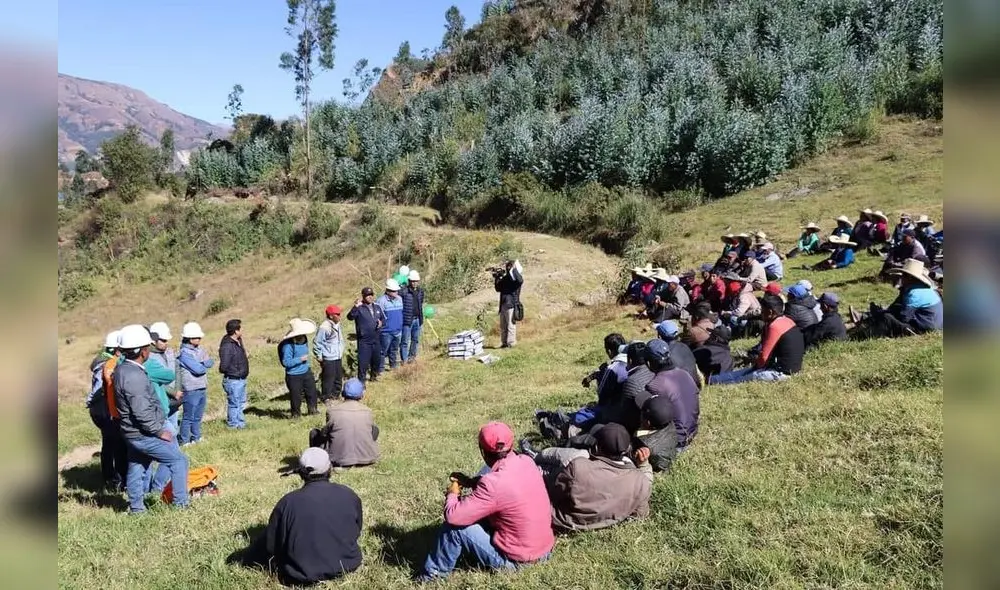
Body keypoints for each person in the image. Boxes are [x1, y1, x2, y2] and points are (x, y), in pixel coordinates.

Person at [415, 422, 554, 582]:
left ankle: (431, 577)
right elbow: (508, 489)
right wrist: (472, 482)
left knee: (454, 528)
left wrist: (453, 494)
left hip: (520, 563)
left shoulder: (492, 484)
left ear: (483, 451)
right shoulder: (526, 461)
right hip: (544, 551)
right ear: (510, 444)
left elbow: (453, 516)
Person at [239, 447, 363, 585]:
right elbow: (356, 530)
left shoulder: (287, 503)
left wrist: (245, 557)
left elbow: (271, 545)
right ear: (330, 469)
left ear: (301, 473)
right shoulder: (349, 495)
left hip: (300, 574)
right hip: (348, 565)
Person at [113, 324, 188, 513]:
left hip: (132, 432)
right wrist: (159, 431)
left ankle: (137, 509)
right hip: (143, 433)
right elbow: (141, 410)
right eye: (147, 347)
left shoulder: (123, 369)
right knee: (179, 461)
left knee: (137, 466)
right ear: (142, 351)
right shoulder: (133, 376)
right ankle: (181, 505)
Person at [549, 423, 653, 533]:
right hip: (603, 524)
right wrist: (644, 464)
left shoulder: (579, 467)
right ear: (627, 448)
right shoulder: (640, 481)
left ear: (597, 446)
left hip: (566, 522)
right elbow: (641, 514)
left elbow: (553, 492)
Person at [709, 294, 804, 385]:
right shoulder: (788, 320)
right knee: (743, 373)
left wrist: (755, 367)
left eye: (763, 311)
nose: (761, 314)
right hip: (791, 369)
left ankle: (711, 381)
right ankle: (711, 379)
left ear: (770, 312)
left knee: (739, 379)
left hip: (780, 373)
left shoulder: (774, 327)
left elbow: (763, 358)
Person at [849, 258, 943, 338]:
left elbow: (904, 318)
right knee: (888, 313)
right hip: (931, 325)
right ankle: (865, 322)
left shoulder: (914, 293)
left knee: (887, 319)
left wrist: (885, 314)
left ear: (910, 277)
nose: (901, 278)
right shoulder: (923, 289)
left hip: (922, 330)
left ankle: (856, 337)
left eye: (904, 275)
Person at [86, 330, 126, 491]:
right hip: (105, 409)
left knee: (108, 444)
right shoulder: (105, 364)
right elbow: (98, 390)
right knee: (115, 444)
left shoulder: (102, 360)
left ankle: (109, 476)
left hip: (101, 409)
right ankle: (114, 479)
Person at [309, 378, 379, 469]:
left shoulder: (332, 411)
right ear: (361, 395)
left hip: (338, 459)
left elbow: (324, 434)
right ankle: (364, 451)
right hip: (368, 458)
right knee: (374, 429)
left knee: (314, 433)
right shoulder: (367, 411)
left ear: (343, 394)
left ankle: (315, 461)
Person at [644, 339, 700, 451]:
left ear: (649, 362)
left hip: (677, 443)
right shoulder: (684, 373)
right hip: (693, 431)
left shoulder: (654, 386)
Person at [177, 321, 214, 445]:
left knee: (198, 415)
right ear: (189, 338)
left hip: (201, 387)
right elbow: (199, 369)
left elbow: (210, 362)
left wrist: (201, 364)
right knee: (188, 416)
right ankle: (185, 440)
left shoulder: (200, 350)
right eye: (196, 337)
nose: (199, 339)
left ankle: (196, 437)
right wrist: (202, 364)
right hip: (190, 389)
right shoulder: (184, 354)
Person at [279, 318, 320, 418]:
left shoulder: (304, 339)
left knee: (312, 392)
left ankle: (313, 410)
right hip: (293, 375)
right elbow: (286, 362)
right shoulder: (288, 345)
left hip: (306, 371)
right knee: (296, 397)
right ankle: (296, 415)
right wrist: (300, 359)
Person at [347, 286, 386, 383]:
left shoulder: (377, 307)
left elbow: (383, 319)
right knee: (363, 362)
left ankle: (373, 376)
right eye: (367, 295)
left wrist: (381, 323)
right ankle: (362, 381)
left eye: (371, 295)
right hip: (364, 340)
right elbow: (350, 317)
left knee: (376, 360)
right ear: (363, 296)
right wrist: (355, 307)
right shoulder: (359, 308)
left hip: (376, 338)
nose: (370, 297)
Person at [148, 322, 181, 432]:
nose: (166, 343)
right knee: (166, 429)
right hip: (162, 398)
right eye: (163, 340)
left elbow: (177, 371)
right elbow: (153, 380)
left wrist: (178, 389)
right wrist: (172, 392)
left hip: (175, 398)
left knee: (174, 426)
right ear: (153, 340)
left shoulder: (170, 352)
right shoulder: (149, 358)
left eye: (167, 341)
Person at [218, 319, 249, 430]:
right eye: (240, 328)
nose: (242, 330)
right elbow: (224, 366)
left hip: (241, 378)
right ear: (236, 331)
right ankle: (233, 425)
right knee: (234, 403)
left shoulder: (238, 341)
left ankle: (240, 424)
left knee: (240, 403)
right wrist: (234, 369)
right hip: (233, 379)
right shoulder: (227, 346)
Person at [654, 321, 701, 389]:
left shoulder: (665, 354)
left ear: (659, 336)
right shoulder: (684, 346)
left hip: (681, 390)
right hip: (695, 386)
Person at [314, 305, 345, 401]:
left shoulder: (337, 324)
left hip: (338, 355)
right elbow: (318, 342)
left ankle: (336, 395)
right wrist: (319, 356)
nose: (340, 316)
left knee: (338, 377)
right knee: (328, 379)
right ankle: (326, 397)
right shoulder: (324, 327)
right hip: (328, 357)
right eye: (338, 314)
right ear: (331, 316)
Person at [494, 259, 524, 348]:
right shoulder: (506, 278)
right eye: (507, 266)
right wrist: (497, 278)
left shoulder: (516, 279)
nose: (507, 268)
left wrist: (514, 269)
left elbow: (520, 280)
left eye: (509, 266)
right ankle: (504, 343)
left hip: (511, 304)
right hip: (503, 304)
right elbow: (498, 288)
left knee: (511, 326)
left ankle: (511, 343)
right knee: (503, 326)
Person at [377, 279, 404, 370]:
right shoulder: (381, 301)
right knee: (382, 351)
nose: (396, 292)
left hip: (398, 330)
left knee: (394, 350)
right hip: (386, 331)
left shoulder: (400, 299)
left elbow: (401, 313)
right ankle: (380, 368)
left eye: (396, 290)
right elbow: (378, 316)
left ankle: (393, 366)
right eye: (393, 291)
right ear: (388, 291)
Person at [400, 269, 426, 363]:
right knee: (405, 341)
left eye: (416, 281)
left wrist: (421, 319)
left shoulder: (420, 291)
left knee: (415, 340)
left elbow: (420, 304)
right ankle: (405, 360)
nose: (414, 283)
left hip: (417, 319)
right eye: (413, 281)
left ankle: (412, 358)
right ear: (409, 281)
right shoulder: (403, 292)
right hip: (407, 320)